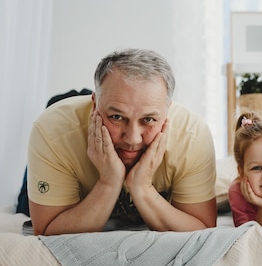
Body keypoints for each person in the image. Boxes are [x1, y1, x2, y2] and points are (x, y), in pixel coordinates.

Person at [27, 48, 218, 235]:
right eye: (117, 117)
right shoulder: (52, 132)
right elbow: (45, 229)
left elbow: (203, 229)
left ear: (168, 110)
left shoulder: (193, 136)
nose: (132, 139)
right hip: (71, 143)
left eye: (148, 119)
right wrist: (108, 182)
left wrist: (142, 187)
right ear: (94, 105)